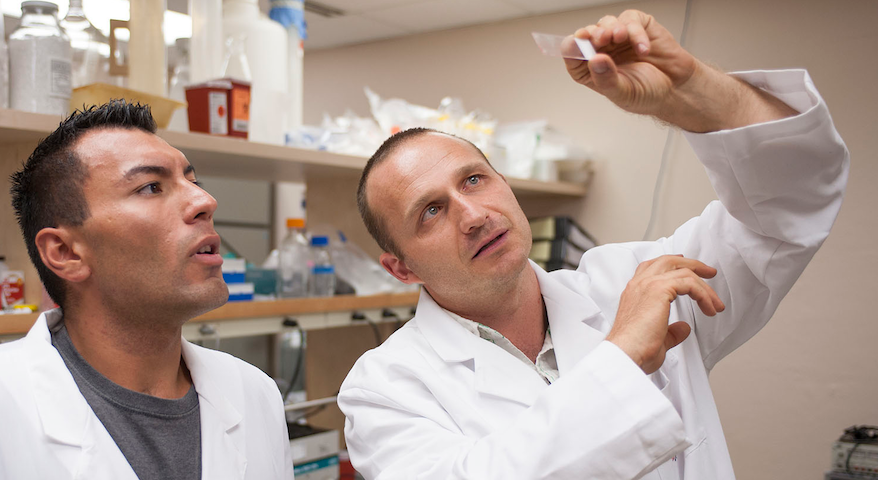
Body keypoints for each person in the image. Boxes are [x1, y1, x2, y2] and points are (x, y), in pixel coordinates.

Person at [340, 9, 848, 480]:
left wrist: (694, 90)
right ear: (401, 268)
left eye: (474, 180)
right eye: (431, 211)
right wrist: (622, 353)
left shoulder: (637, 279)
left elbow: (788, 205)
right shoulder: (385, 388)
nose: (473, 215)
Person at [0, 102, 294, 480]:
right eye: (150, 187)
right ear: (65, 252)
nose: (205, 201)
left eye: (192, 180)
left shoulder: (253, 393)